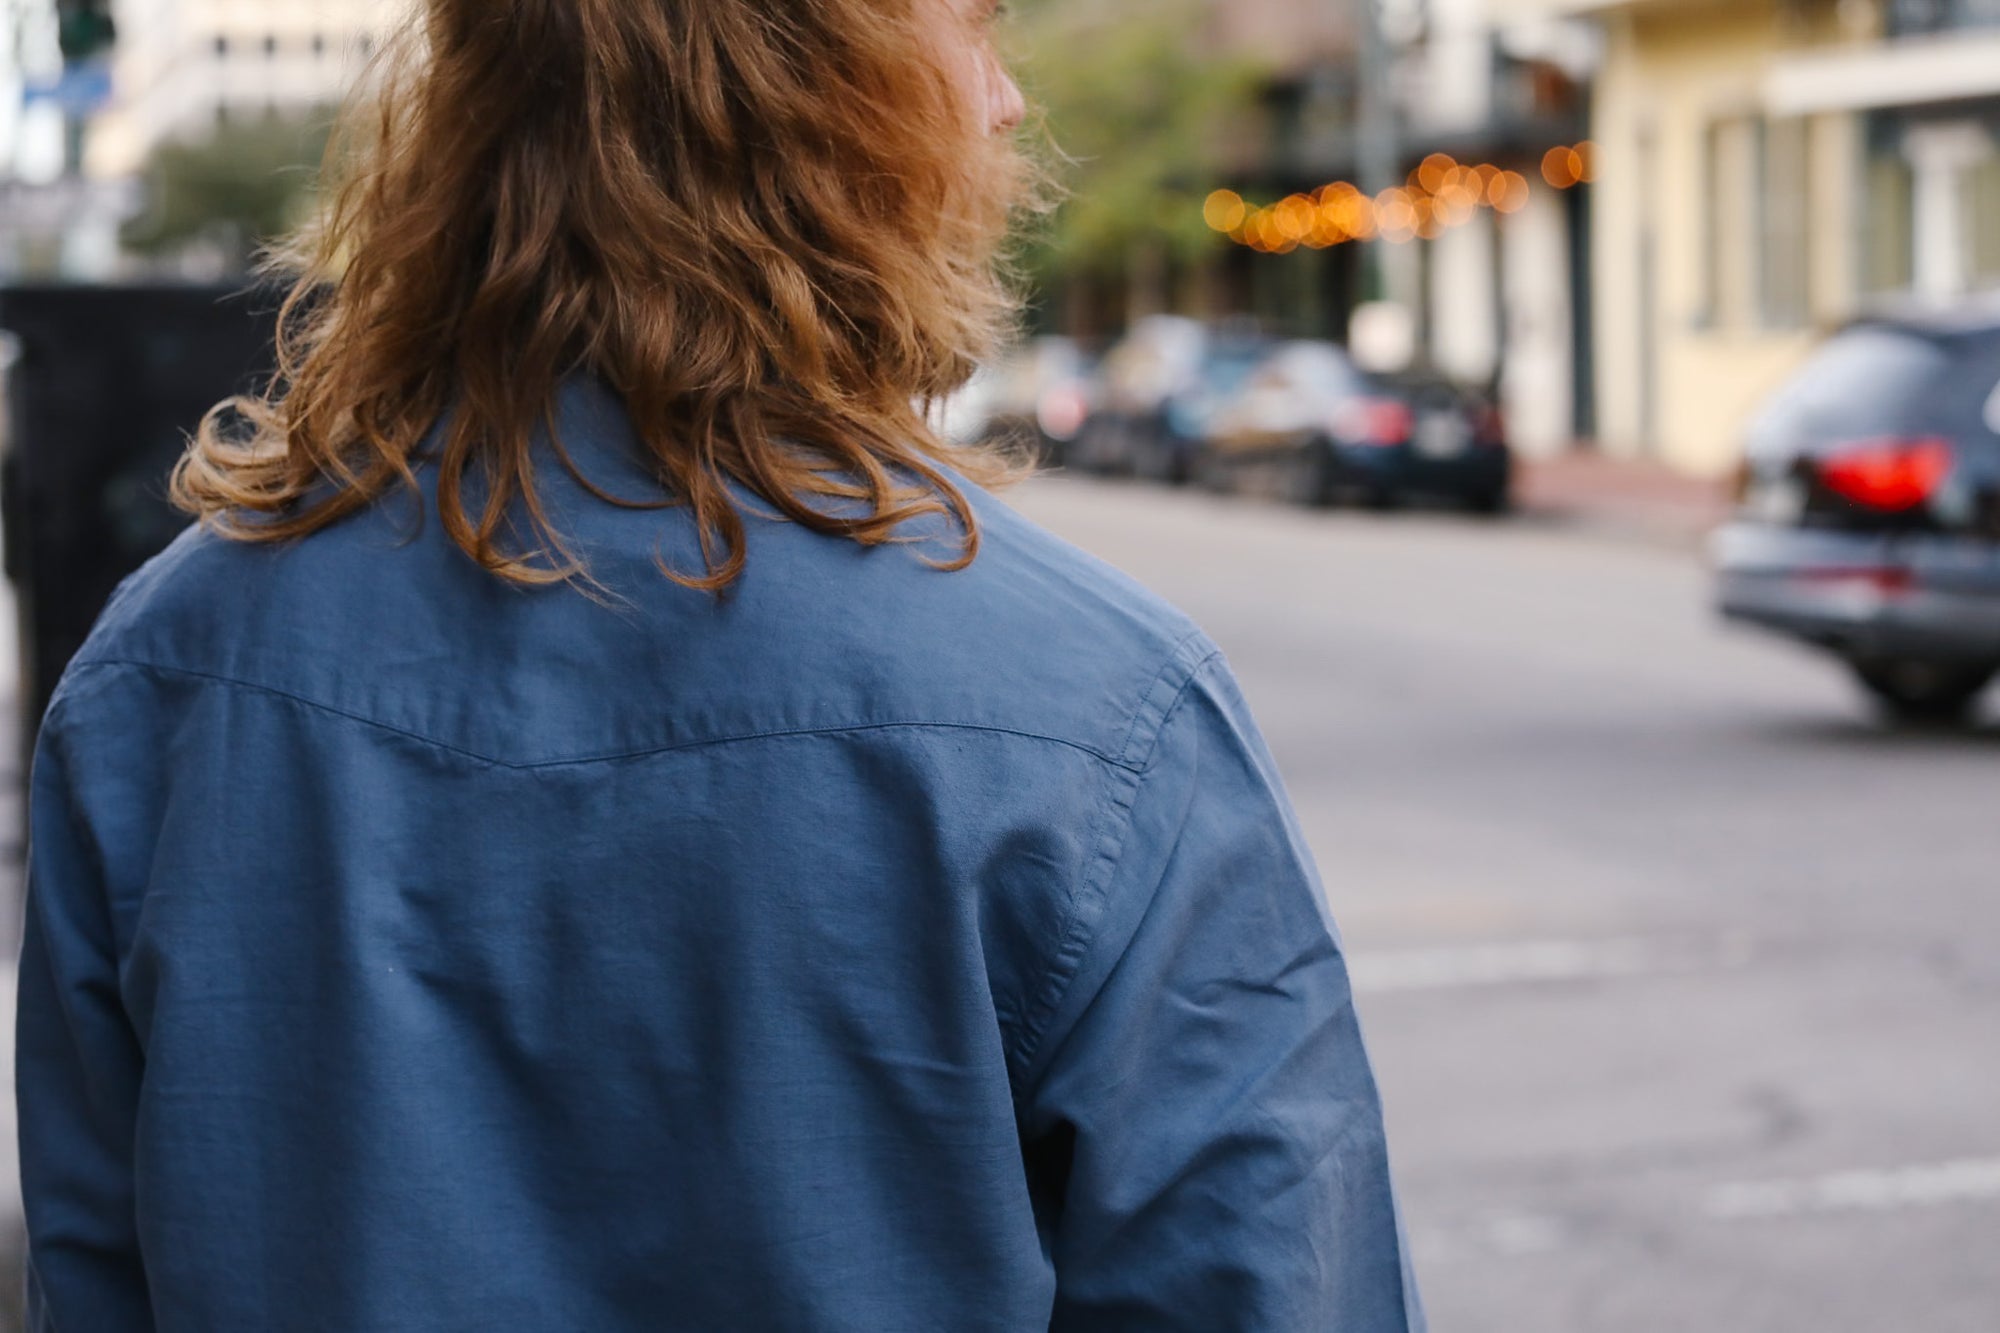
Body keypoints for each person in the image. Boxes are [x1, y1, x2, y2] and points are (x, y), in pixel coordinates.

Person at [16, 0, 1424, 1328]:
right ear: (824, 94)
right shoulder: (1101, 716)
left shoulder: (159, 684)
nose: (1004, 104)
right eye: (975, 25)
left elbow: (103, 1277)